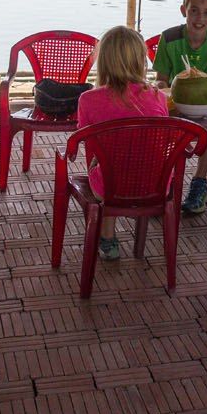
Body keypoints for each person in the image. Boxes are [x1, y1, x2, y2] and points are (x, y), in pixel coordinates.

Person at [74, 25, 169, 261]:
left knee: (106, 163)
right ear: (140, 61)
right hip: (155, 185)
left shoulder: (88, 99)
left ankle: (108, 239)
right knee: (125, 158)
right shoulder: (158, 96)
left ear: (103, 61)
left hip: (110, 188)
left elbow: (84, 139)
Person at [153, 0, 207, 215]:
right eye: (194, 11)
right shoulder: (169, 37)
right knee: (158, 123)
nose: (200, 18)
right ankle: (164, 181)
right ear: (183, 10)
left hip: (206, 102)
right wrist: (159, 88)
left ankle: (199, 181)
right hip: (174, 102)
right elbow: (161, 79)